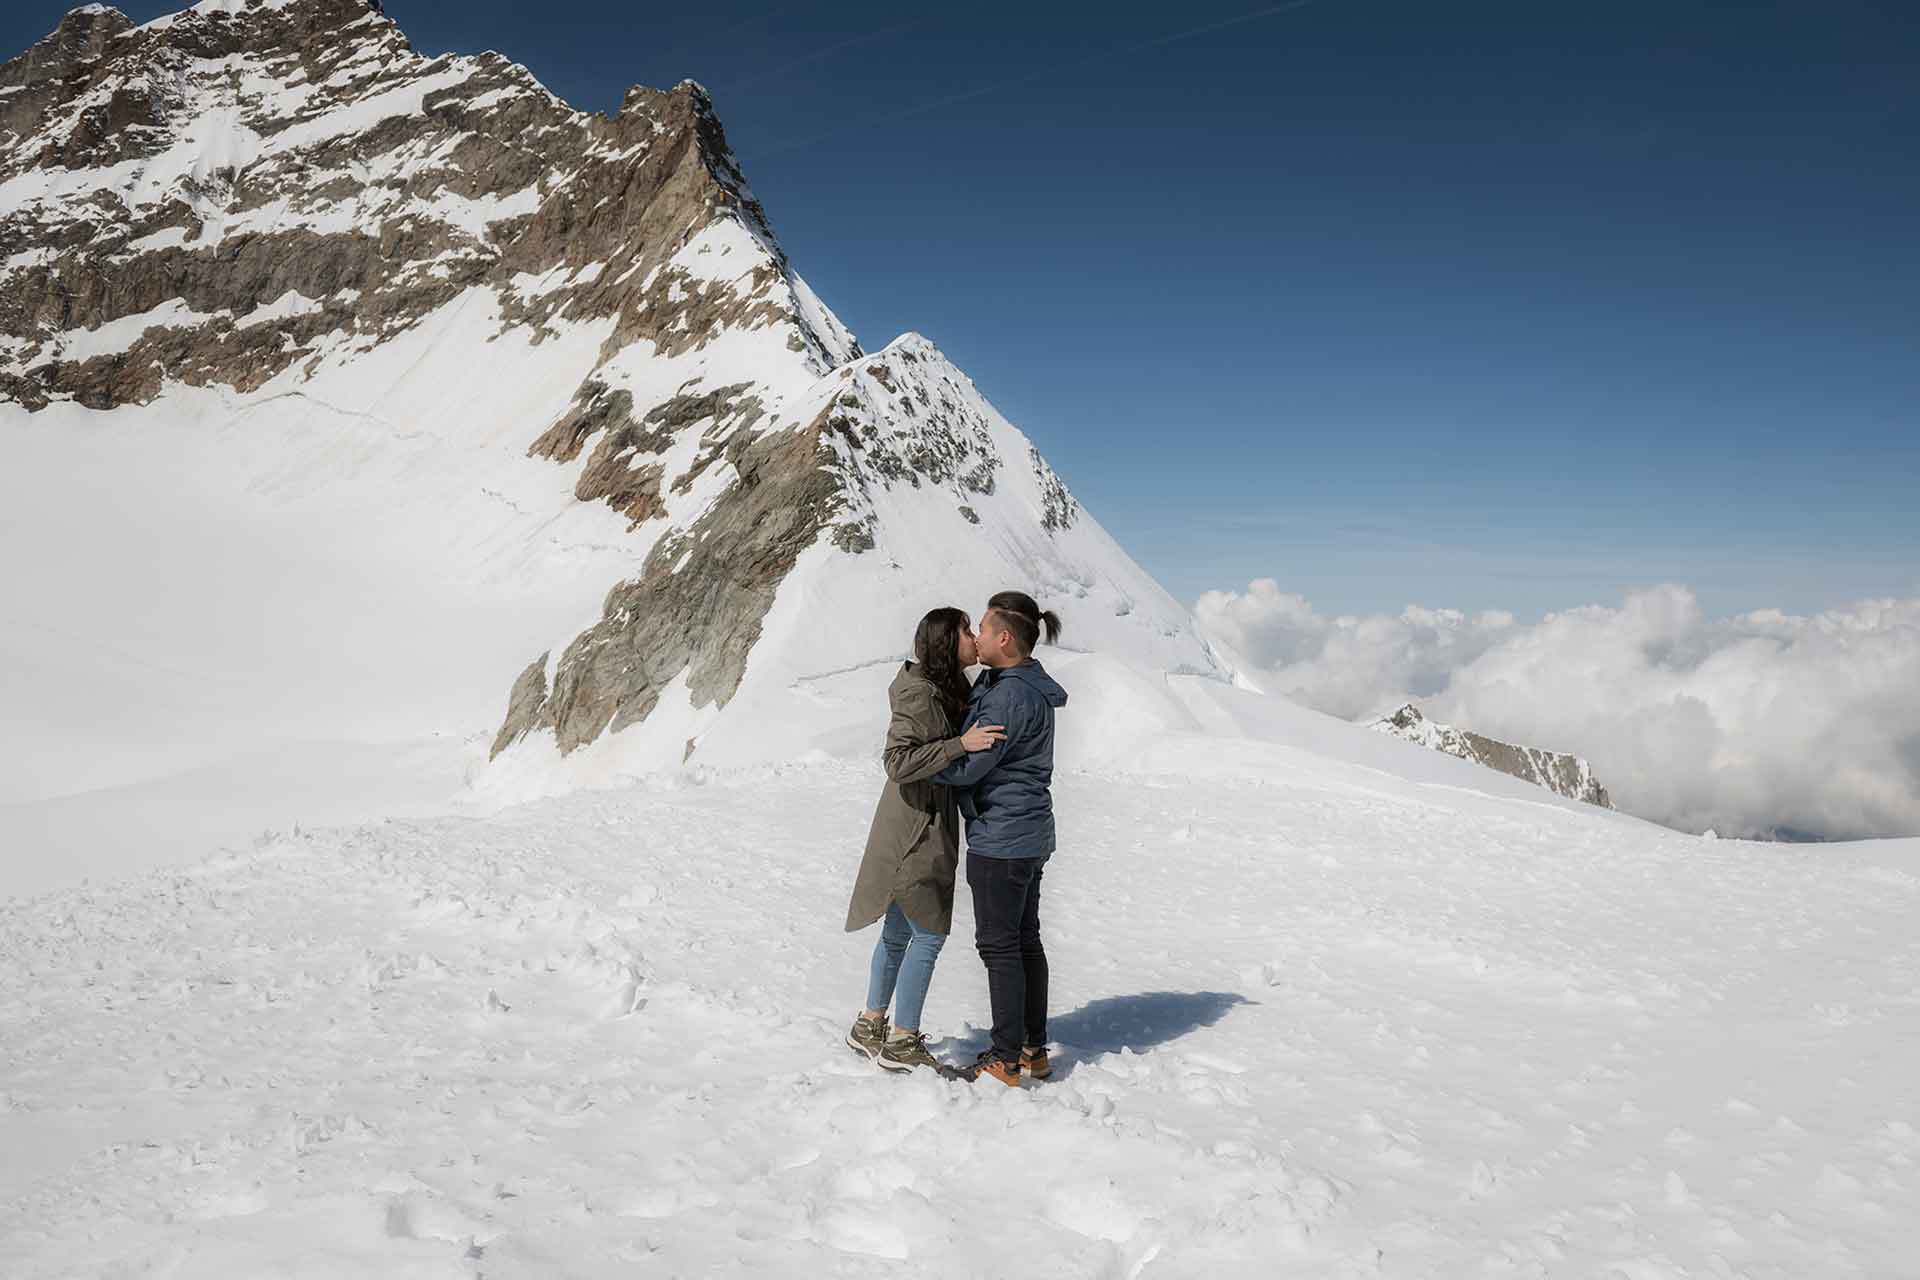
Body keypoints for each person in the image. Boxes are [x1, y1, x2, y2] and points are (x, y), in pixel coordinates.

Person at [844, 608, 1005, 1073]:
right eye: (966, 631)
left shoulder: (936, 688)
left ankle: (870, 1025)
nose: (974, 637)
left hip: (914, 823)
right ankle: (901, 1041)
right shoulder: (918, 693)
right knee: (929, 935)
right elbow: (897, 761)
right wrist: (961, 745)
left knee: (898, 932)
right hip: (917, 829)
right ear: (944, 641)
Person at [932, 590, 1066, 1086]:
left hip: (1002, 837)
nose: (977, 638)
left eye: (983, 630)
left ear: (1004, 637)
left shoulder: (1008, 696)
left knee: (999, 946)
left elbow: (969, 767)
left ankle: (1005, 1057)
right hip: (1029, 832)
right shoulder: (1023, 684)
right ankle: (1032, 1049)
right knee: (1024, 940)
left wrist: (925, 766)